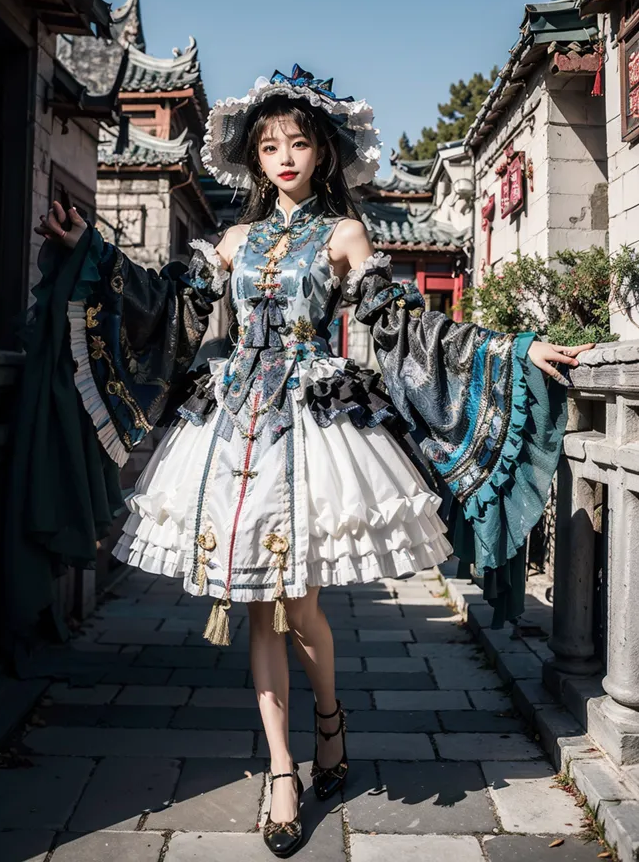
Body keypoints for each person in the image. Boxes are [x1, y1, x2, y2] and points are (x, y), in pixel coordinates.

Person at [34, 65, 593, 858]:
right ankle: (282, 771)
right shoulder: (231, 241)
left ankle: (330, 720)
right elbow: (160, 302)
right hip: (234, 431)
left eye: (298, 142)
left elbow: (402, 326)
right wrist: (87, 248)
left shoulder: (344, 236)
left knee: (303, 610)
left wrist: (512, 348)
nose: (284, 156)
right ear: (254, 159)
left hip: (315, 422)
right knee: (260, 610)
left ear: (323, 153)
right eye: (269, 145)